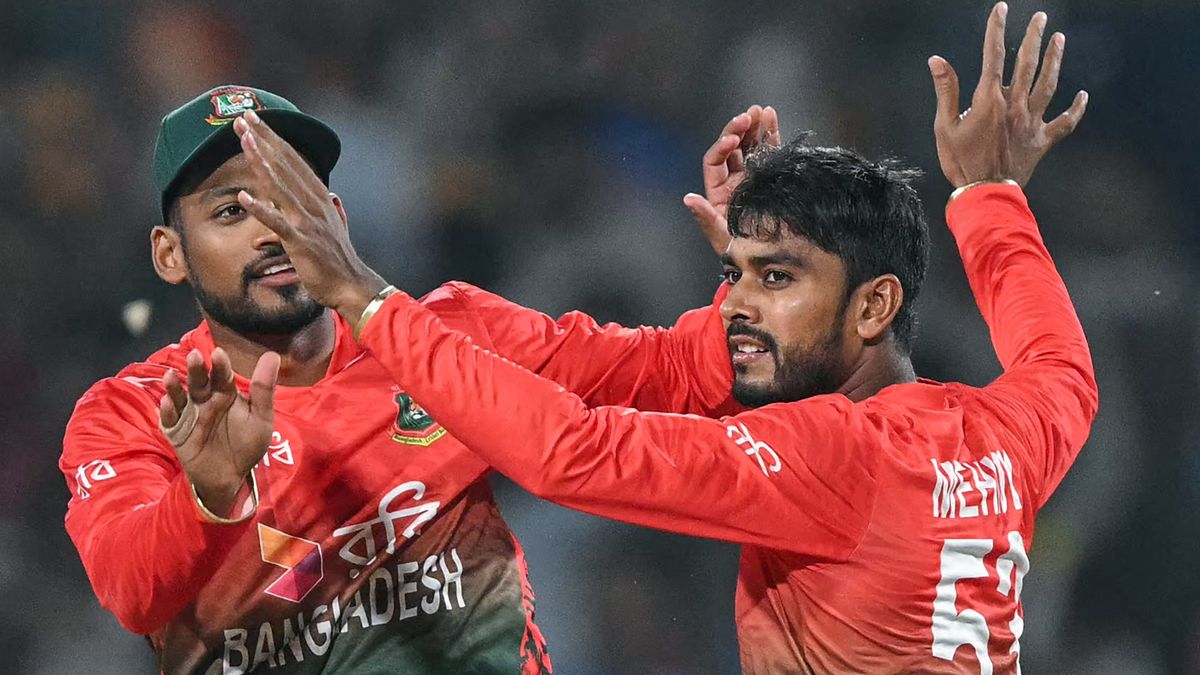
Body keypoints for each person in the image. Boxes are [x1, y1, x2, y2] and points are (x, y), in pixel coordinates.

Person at [245, 4, 1096, 672]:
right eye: (737, 272)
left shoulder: (834, 453)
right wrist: (988, 193)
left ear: (874, 308)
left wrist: (366, 298)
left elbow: (571, 453)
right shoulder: (1001, 438)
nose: (735, 304)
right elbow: (1061, 368)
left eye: (777, 277)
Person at [60, 85, 760, 673]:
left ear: (334, 218)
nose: (272, 230)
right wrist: (207, 497)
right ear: (170, 254)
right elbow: (131, 592)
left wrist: (754, 274)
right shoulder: (134, 412)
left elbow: (684, 375)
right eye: (230, 211)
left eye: (291, 199)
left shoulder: (447, 331)